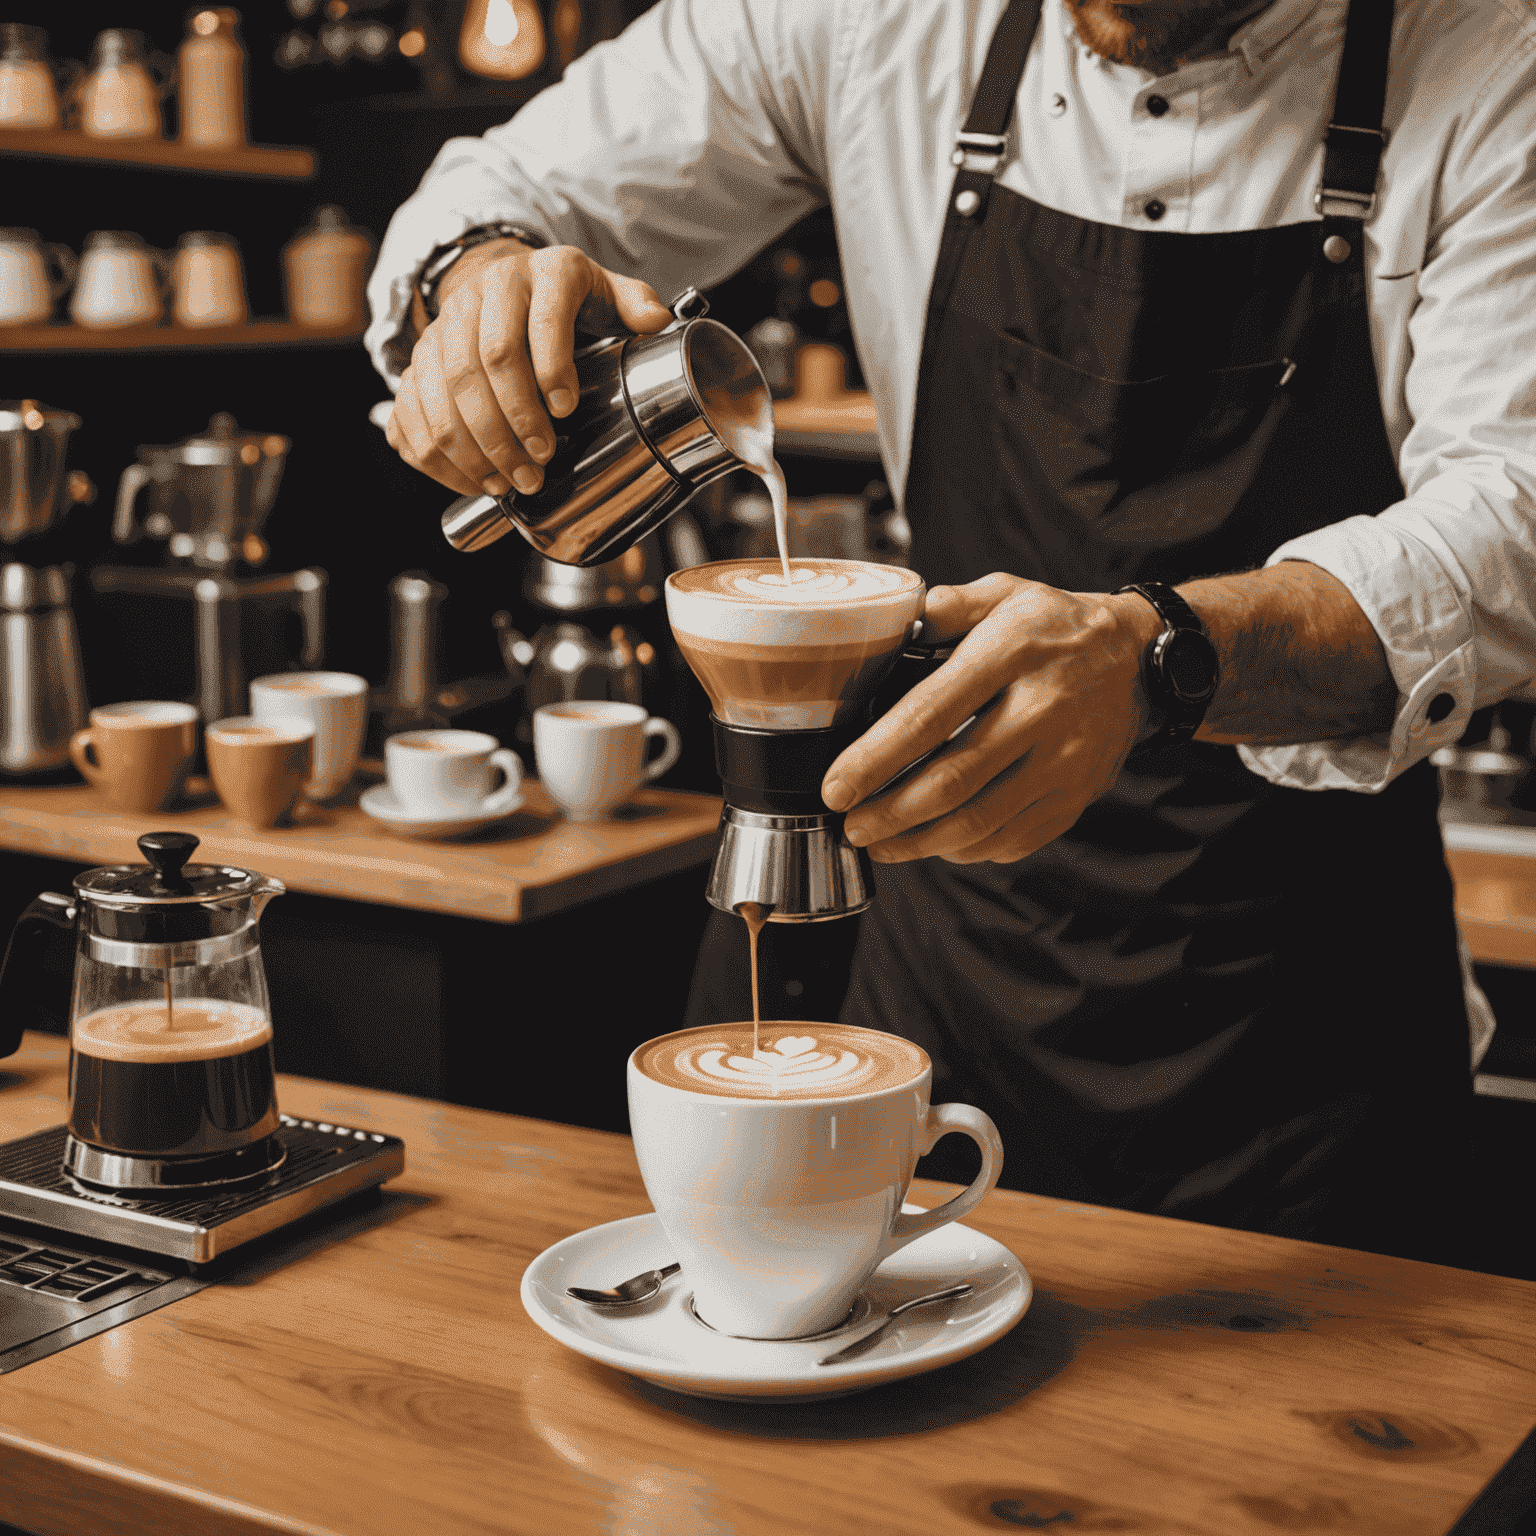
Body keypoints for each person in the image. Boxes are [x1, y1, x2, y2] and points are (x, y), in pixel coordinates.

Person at [367, 0, 1536, 1264]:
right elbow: (507, 184)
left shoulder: (1491, 61)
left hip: (1304, 1039)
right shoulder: (877, 20)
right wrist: (482, 290)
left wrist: (1154, 656)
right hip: (939, 970)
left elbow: (1511, 514)